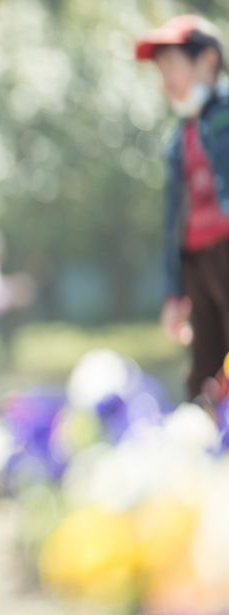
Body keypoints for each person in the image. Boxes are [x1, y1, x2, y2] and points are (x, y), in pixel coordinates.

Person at [136, 15, 229, 401]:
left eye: (172, 65)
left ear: (207, 60)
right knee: (204, 373)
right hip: (197, 263)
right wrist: (173, 293)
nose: (166, 80)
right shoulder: (179, 137)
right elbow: (173, 218)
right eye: (160, 71)